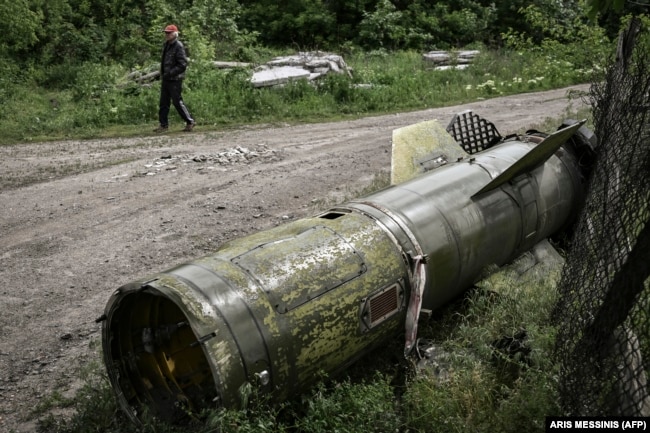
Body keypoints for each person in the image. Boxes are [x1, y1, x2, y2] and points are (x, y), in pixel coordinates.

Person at [154, 24, 196, 133]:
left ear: (175, 34)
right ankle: (163, 125)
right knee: (163, 103)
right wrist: (163, 74)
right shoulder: (166, 45)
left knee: (177, 101)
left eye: (169, 33)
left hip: (175, 79)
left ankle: (190, 121)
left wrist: (170, 73)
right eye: (166, 32)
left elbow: (183, 64)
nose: (167, 34)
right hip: (166, 78)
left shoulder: (178, 46)